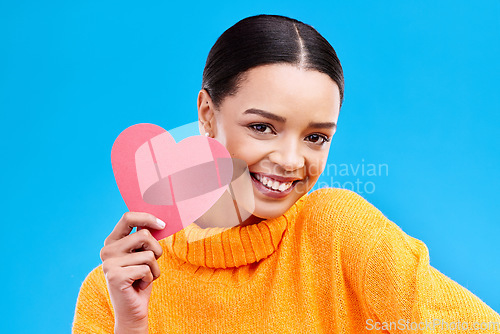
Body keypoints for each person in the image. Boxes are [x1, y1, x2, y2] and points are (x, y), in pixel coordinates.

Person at [73, 14, 500, 333]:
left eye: (316, 137)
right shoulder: (115, 290)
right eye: (262, 128)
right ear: (207, 113)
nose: (292, 161)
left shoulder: (338, 232)